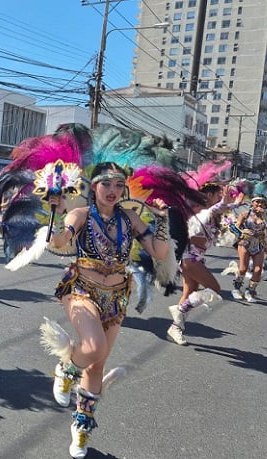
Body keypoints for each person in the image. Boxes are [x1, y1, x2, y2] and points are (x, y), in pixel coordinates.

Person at [46, 162, 171, 458]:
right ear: (93, 187)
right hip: (81, 288)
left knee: (98, 363)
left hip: (116, 295)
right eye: (106, 184)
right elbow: (57, 242)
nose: (113, 190)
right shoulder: (80, 214)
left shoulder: (129, 218)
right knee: (92, 347)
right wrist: (54, 216)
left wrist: (162, 220)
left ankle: (82, 426)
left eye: (118, 184)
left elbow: (160, 251)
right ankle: (66, 369)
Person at [166, 183, 241, 345]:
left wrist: (236, 204)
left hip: (196, 258)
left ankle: (175, 327)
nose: (220, 197)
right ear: (209, 196)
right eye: (218, 194)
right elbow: (215, 209)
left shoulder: (211, 210)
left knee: (189, 293)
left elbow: (221, 209)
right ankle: (179, 310)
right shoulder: (200, 210)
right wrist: (225, 203)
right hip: (189, 258)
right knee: (215, 289)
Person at [230, 195, 267, 303]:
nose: (259, 204)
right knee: (243, 268)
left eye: (262, 203)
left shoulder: (266, 216)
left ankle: (250, 291)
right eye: (257, 202)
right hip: (245, 243)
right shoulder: (245, 214)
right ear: (252, 203)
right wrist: (242, 233)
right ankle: (237, 288)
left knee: (258, 270)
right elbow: (233, 227)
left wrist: (264, 216)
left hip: (258, 245)